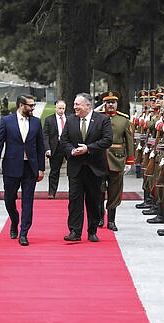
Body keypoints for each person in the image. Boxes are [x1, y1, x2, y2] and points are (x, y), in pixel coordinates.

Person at [0, 94, 45, 246]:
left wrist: (41, 168)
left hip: (30, 168)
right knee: (9, 199)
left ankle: (24, 233)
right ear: (21, 105)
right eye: (30, 105)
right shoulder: (7, 121)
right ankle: (14, 220)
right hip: (11, 167)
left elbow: (40, 146)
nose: (33, 108)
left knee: (28, 201)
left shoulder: (36, 122)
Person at [60, 93, 113, 242]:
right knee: (74, 200)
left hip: (94, 167)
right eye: (75, 104)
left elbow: (107, 140)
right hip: (76, 167)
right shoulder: (70, 120)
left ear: (88, 106)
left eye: (78, 104)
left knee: (94, 200)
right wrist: (72, 150)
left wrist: (88, 148)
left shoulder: (102, 120)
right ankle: (75, 232)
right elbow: (63, 141)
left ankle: (92, 230)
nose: (75, 107)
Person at [98, 91, 134, 231]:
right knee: (99, 190)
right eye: (108, 102)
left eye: (113, 102)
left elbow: (129, 141)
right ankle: (100, 217)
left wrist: (130, 161)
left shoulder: (123, 120)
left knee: (114, 192)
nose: (110, 105)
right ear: (104, 104)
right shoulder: (98, 117)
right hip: (100, 160)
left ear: (117, 104)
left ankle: (111, 221)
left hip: (117, 159)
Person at [43, 100, 68, 199]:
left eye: (63, 108)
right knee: (54, 171)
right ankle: (52, 192)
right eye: (59, 108)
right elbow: (45, 135)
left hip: (67, 146)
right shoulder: (49, 119)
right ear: (55, 108)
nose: (61, 110)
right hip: (55, 147)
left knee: (74, 170)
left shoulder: (70, 118)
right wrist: (47, 148)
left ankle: (74, 191)